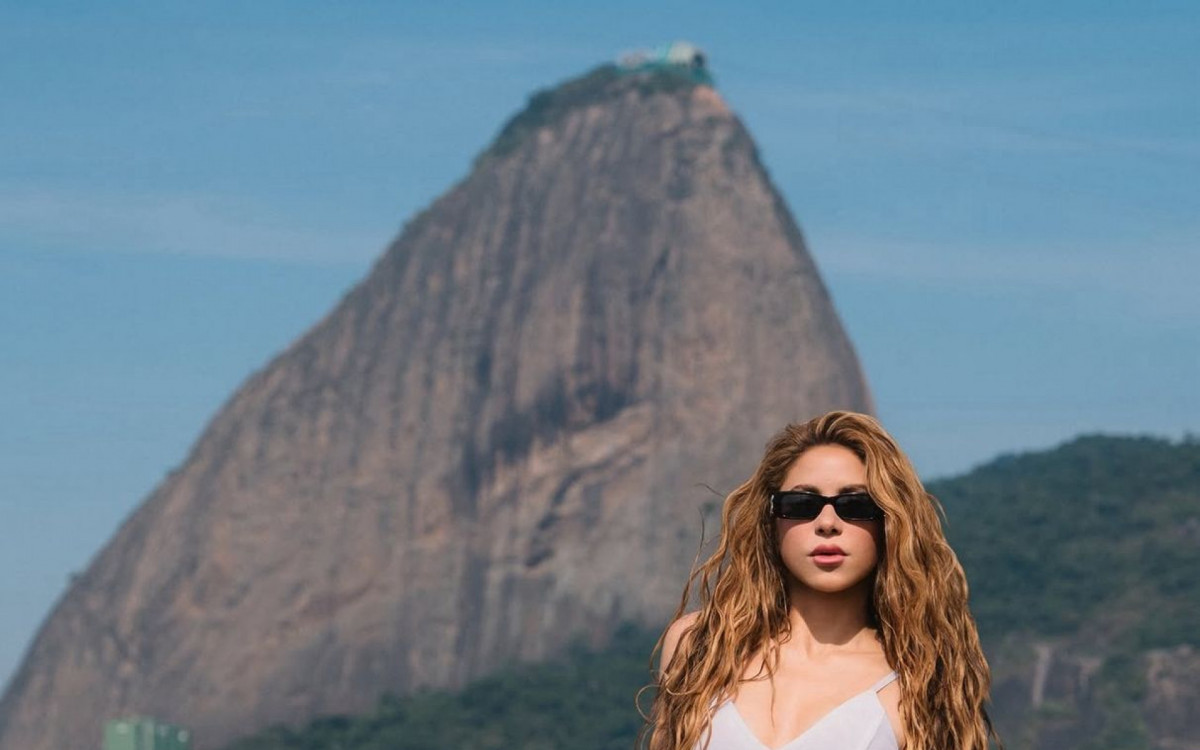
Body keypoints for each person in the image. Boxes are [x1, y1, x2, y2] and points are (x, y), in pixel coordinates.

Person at [641, 411, 998, 750]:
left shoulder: (917, 682)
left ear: (889, 521)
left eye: (856, 504)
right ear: (771, 519)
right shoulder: (699, 646)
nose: (828, 521)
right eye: (801, 503)